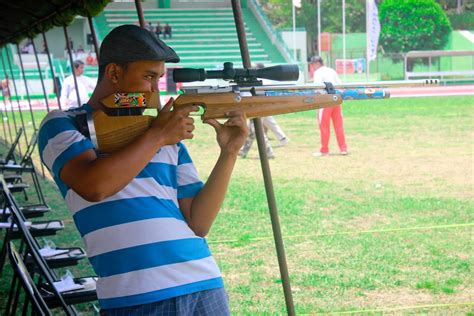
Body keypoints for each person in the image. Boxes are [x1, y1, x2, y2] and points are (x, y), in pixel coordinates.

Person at [38, 24, 248, 315]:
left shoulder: (161, 131)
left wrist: (229, 152)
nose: (153, 89)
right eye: (148, 76)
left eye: (159, 78)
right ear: (113, 73)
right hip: (134, 296)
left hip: (203, 282)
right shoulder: (63, 124)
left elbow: (199, 222)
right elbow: (94, 185)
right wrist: (159, 136)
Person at [311, 56, 348, 156]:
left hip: (325, 100)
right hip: (336, 99)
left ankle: (324, 150)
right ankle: (343, 148)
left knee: (324, 126)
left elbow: (317, 88)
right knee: (339, 125)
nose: (312, 66)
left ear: (316, 63)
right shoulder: (331, 71)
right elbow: (340, 85)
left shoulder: (318, 73)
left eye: (313, 64)